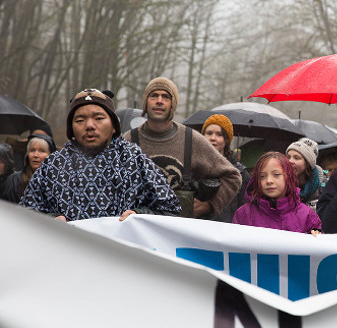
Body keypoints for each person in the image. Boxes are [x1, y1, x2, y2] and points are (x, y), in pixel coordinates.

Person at [20, 88, 181, 221]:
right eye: (80, 120)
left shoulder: (133, 160)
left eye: (98, 118)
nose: (89, 125)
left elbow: (171, 211)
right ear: (71, 129)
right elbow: (24, 215)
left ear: (113, 126)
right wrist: (51, 219)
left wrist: (139, 216)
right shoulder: (53, 165)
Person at [124, 77, 241, 218]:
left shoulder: (191, 140)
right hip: (138, 233)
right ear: (145, 102)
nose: (159, 100)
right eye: (154, 95)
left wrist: (210, 205)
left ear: (173, 104)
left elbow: (233, 177)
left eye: (166, 97)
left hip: (178, 233)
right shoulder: (128, 141)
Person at [233, 152, 322, 234]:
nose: (269, 181)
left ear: (288, 177)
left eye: (276, 175)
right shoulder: (244, 213)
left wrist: (316, 235)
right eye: (262, 176)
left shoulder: (307, 215)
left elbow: (319, 245)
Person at [201, 114, 250, 223]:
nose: (213, 138)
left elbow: (246, 209)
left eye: (219, 134)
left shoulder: (240, 172)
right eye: (209, 133)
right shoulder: (193, 167)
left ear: (226, 139)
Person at [1, 133, 56, 203]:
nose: (36, 155)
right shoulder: (14, 181)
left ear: (51, 156)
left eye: (42, 151)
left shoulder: (57, 183)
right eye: (32, 150)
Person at [286, 137, 328, 210]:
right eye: (288, 157)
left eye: (296, 158)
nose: (290, 161)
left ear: (308, 163)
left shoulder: (324, 185)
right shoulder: (281, 183)